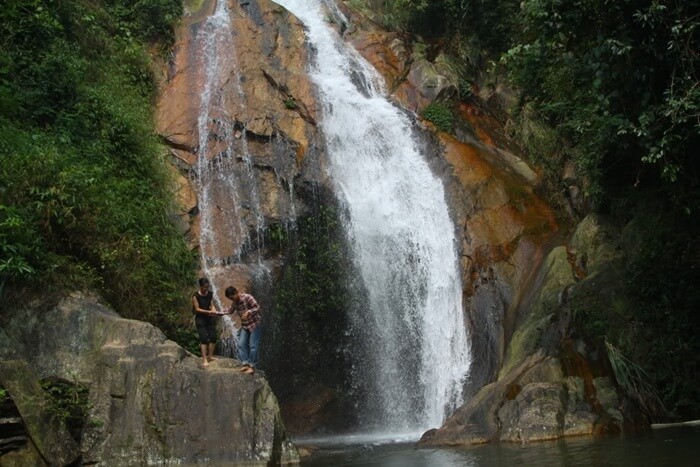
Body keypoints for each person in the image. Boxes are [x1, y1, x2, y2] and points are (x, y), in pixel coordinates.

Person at [225, 286, 261, 375]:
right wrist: (217, 312)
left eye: (232, 298)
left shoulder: (247, 297)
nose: (232, 300)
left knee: (253, 346)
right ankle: (245, 363)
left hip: (254, 325)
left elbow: (257, 307)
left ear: (236, 292)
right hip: (245, 326)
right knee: (241, 344)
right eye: (230, 299)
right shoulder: (234, 302)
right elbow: (230, 311)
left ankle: (252, 366)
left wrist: (248, 312)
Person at [192, 277, 221, 368]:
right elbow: (197, 309)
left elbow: (211, 305)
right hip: (200, 319)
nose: (206, 289)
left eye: (207, 287)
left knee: (213, 337)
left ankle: (210, 356)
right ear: (200, 287)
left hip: (209, 318)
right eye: (204, 287)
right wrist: (208, 312)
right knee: (204, 338)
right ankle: (204, 359)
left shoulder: (210, 294)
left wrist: (214, 310)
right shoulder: (196, 296)